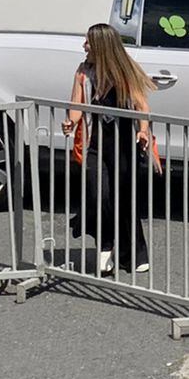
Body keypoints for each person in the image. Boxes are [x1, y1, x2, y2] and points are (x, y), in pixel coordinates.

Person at [62, 23, 158, 277]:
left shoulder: (122, 71)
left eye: (88, 42)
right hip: (95, 143)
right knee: (98, 194)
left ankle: (133, 253)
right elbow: (76, 103)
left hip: (124, 143)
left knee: (125, 197)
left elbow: (141, 104)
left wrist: (142, 130)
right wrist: (71, 121)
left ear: (102, 46)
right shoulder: (83, 71)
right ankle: (106, 245)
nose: (84, 46)